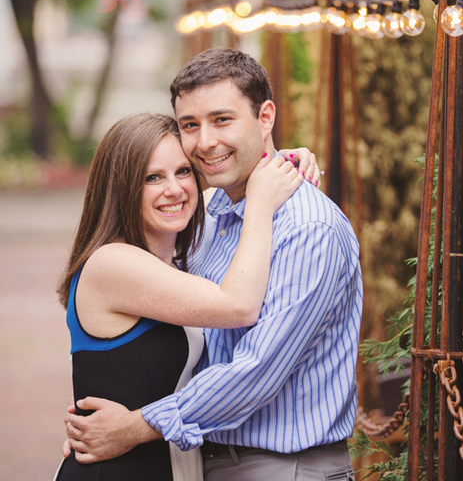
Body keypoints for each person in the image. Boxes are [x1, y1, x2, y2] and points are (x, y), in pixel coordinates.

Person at [65, 48, 363, 481]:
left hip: (278, 467)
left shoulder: (308, 229)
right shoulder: (210, 216)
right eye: (191, 125)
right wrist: (95, 423)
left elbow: (255, 371)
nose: (205, 142)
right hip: (198, 459)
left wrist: (136, 425)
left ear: (265, 118)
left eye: (222, 120)